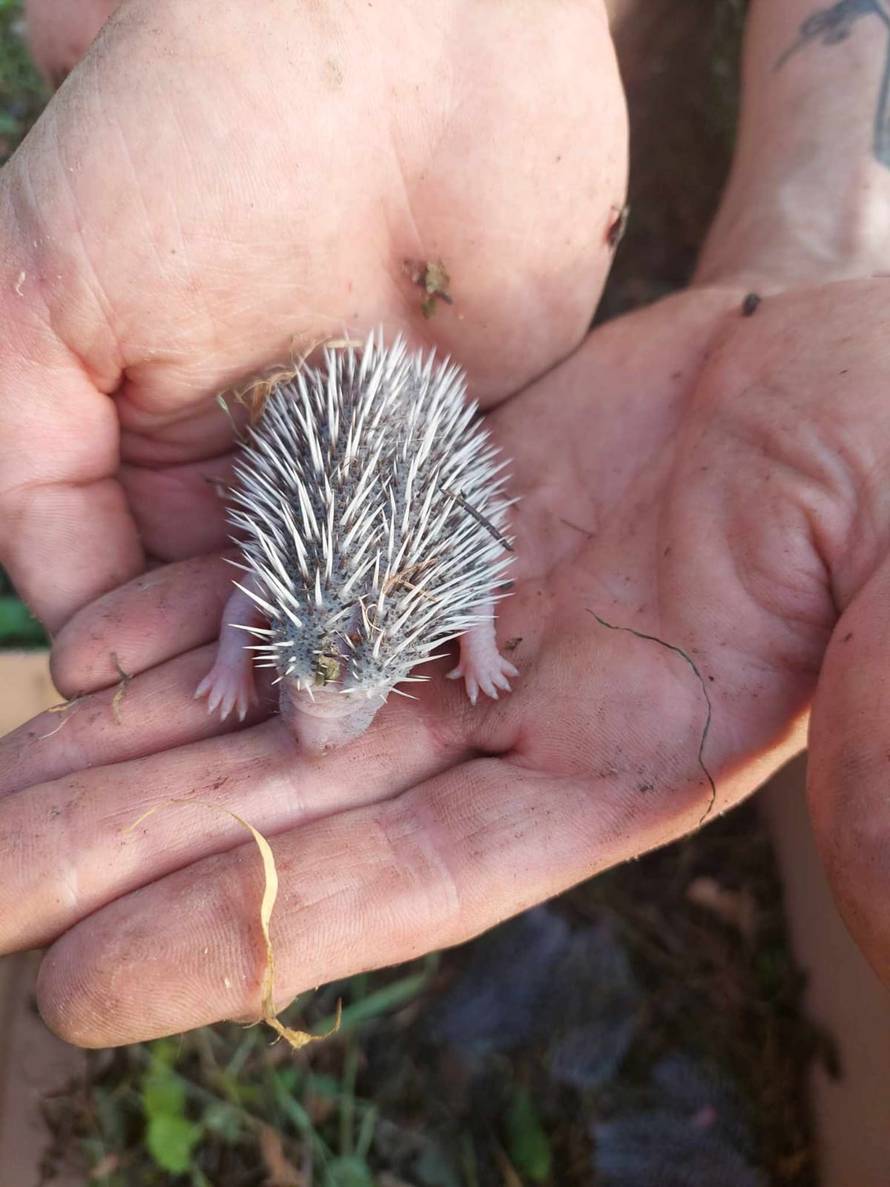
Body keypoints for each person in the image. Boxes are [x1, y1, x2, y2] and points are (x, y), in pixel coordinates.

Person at [0, 0, 888, 1048]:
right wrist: (246, 667)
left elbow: (452, 593)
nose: (308, 736)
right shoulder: (299, 595)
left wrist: (471, 642)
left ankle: (822, 240)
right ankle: (817, 238)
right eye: (299, 698)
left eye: (307, 700)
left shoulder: (405, 601)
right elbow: (259, 596)